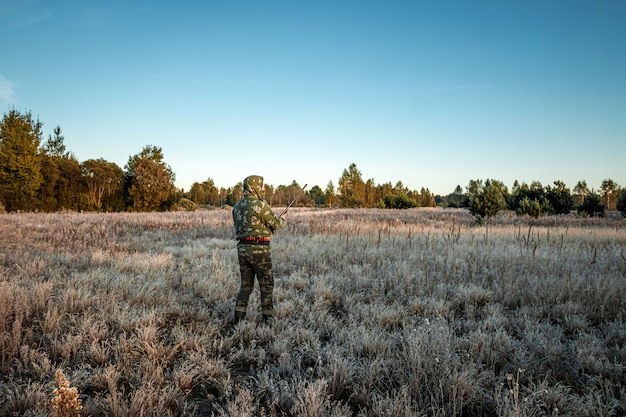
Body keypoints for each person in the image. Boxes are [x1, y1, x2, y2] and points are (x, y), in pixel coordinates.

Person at [232, 175, 286, 324]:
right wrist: (282, 219)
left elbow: (247, 227)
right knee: (266, 284)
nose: (263, 189)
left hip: (242, 250)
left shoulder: (236, 207)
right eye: (261, 186)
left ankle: (238, 320)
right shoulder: (260, 204)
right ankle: (268, 321)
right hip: (260, 250)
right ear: (254, 187)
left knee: (245, 286)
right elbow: (276, 224)